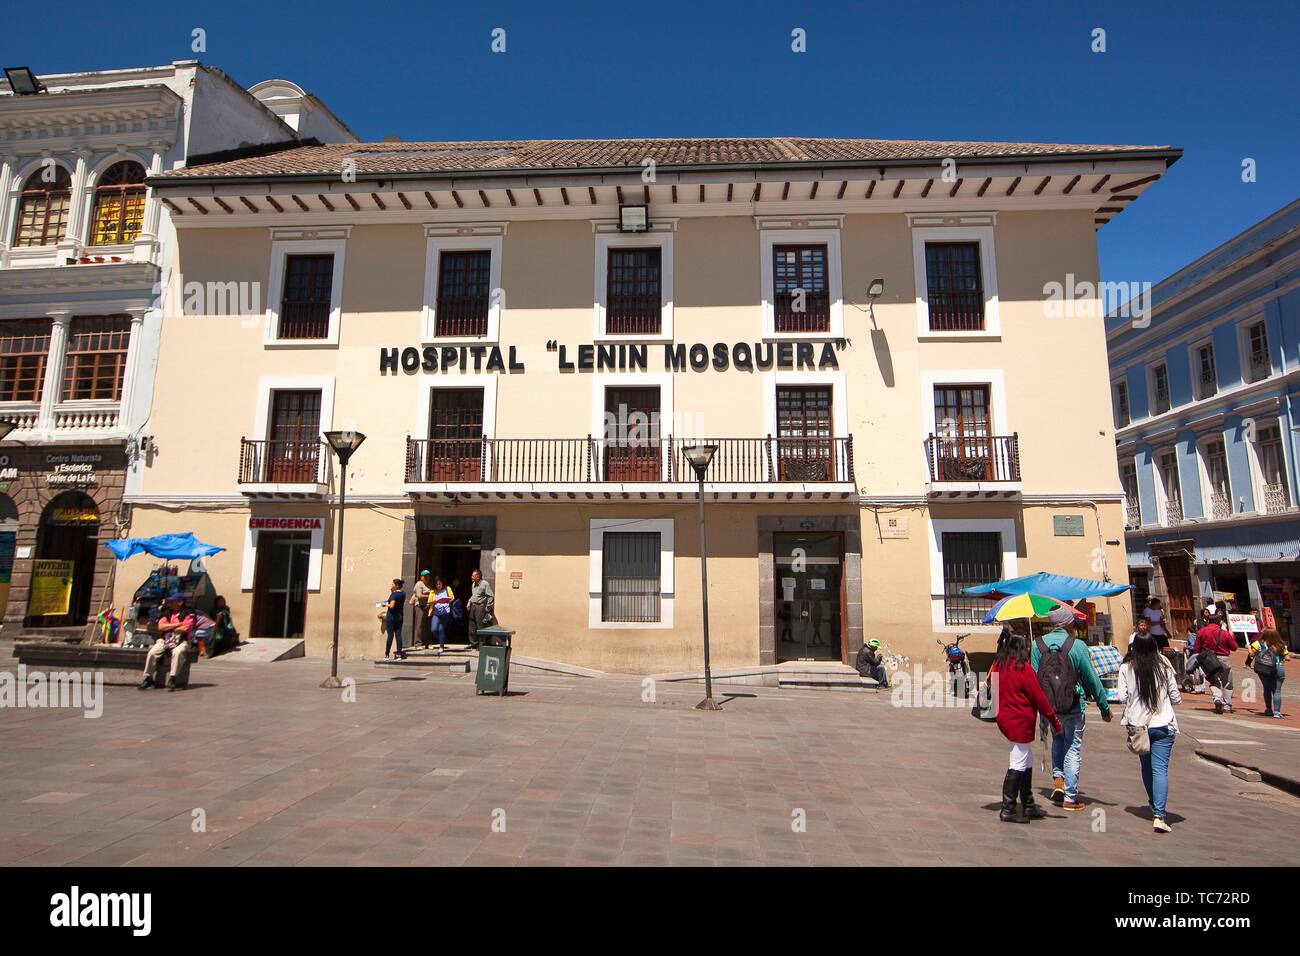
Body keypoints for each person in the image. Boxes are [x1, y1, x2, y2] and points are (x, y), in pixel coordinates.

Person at [1030, 606, 1113, 811]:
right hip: (1074, 704)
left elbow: (1033, 678)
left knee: (1058, 739)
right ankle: (1070, 796)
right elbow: (1091, 678)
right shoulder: (1078, 646)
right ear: (1068, 623)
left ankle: (1058, 780)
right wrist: (1104, 707)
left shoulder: (1037, 644)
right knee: (1073, 747)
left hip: (1049, 706)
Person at [991, 633, 1063, 823]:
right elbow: (1039, 698)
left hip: (1005, 718)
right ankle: (1008, 808)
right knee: (1017, 763)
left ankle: (1029, 804)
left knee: (1027, 760)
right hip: (1019, 721)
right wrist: (1054, 720)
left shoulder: (999, 666)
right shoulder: (1023, 669)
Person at [1118, 632, 1182, 833]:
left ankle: (1155, 805)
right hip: (1163, 724)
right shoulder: (1164, 667)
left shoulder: (1126, 668)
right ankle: (1159, 815)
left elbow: (1122, 697)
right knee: (1160, 769)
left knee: (1146, 767)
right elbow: (1176, 696)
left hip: (1139, 726)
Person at [138, 592, 197, 691]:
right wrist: (177, 624)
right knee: (152, 652)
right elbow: (161, 627)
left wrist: (170, 626)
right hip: (164, 639)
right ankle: (148, 678)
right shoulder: (167, 612)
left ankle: (172, 678)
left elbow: (186, 628)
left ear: (180, 602)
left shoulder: (189, 613)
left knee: (178, 652)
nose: (170, 603)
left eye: (173, 601)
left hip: (181, 640)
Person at [1193, 613, 1237, 714]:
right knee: (1227, 682)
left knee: (1213, 681)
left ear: (1208, 621)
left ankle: (1217, 698)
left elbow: (1196, 648)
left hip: (1209, 660)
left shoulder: (1202, 631)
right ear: (1219, 622)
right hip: (1224, 659)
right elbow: (1234, 647)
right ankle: (1227, 705)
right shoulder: (1225, 633)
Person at [1246, 627, 1289, 718]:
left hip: (1265, 668)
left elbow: (1251, 654)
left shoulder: (1258, 644)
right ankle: (1277, 712)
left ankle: (1269, 709)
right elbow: (1288, 658)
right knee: (1277, 690)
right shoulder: (1281, 644)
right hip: (1279, 667)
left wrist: (1248, 648)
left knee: (1267, 689)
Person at [466, 568, 495, 648]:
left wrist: (487, 607)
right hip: (473, 606)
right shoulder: (473, 584)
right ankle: (473, 643)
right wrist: (469, 602)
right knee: (472, 626)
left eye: (473, 576)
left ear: (478, 576)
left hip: (480, 607)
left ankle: (481, 645)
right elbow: (474, 595)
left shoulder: (485, 584)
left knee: (480, 626)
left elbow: (490, 596)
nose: (471, 577)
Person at [428, 576, 455, 653]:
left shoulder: (447, 588)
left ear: (442, 583)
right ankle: (441, 639)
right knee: (433, 629)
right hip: (436, 613)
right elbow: (429, 601)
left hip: (445, 612)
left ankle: (441, 646)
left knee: (441, 629)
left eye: (439, 584)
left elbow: (452, 597)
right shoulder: (433, 591)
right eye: (437, 584)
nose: (438, 586)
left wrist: (447, 600)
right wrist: (435, 601)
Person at [383, 578, 407, 660]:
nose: (391, 585)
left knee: (390, 635)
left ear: (397, 586)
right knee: (398, 634)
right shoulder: (403, 594)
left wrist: (385, 605)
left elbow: (392, 606)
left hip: (391, 617)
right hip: (399, 616)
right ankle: (399, 654)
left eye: (393, 584)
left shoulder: (394, 595)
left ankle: (386, 654)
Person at [409, 570, 432, 649]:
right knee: (419, 625)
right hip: (420, 606)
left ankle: (427, 643)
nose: (426, 577)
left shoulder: (429, 585)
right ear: (421, 577)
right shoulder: (419, 584)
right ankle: (418, 644)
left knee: (427, 625)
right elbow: (419, 595)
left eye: (428, 576)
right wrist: (430, 596)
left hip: (427, 606)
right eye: (425, 576)